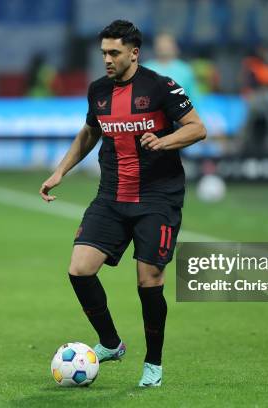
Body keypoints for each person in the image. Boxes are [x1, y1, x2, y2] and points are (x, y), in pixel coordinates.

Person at [39, 20, 206, 387]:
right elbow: (89, 132)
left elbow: (197, 127)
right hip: (111, 196)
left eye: (114, 53)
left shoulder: (160, 86)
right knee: (79, 268)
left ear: (134, 52)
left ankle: (154, 364)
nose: (107, 60)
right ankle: (111, 344)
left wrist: (163, 142)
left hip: (157, 198)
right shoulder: (98, 91)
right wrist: (60, 171)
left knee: (149, 281)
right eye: (103, 53)